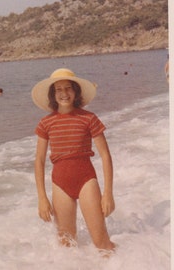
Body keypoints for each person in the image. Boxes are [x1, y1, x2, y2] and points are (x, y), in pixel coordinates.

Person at [32, 68, 115, 253]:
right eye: (58, 89)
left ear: (76, 91)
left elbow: (106, 156)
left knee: (101, 242)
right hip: (60, 184)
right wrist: (42, 198)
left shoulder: (89, 118)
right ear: (53, 94)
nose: (64, 93)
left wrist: (108, 192)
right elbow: (39, 161)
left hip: (86, 180)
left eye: (68, 88)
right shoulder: (46, 123)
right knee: (66, 245)